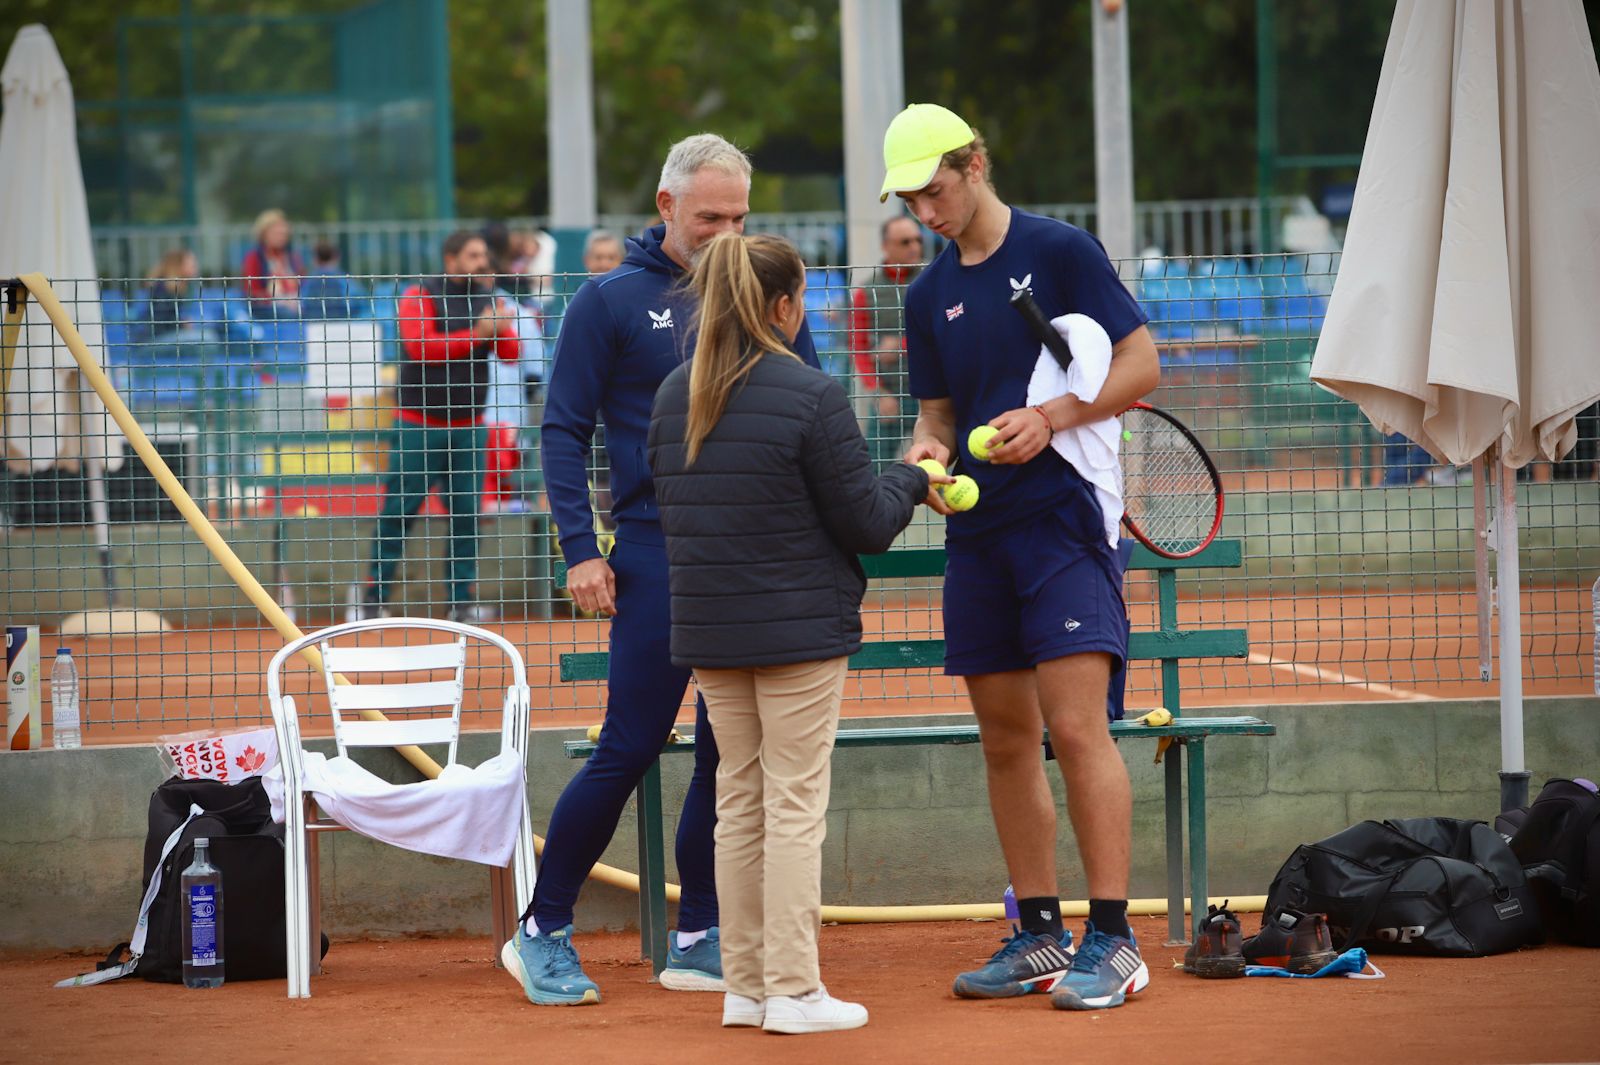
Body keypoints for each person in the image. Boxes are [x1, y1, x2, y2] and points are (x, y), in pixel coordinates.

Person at [508, 134, 822, 1006]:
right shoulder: (610, 299)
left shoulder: (771, 292)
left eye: (740, 217)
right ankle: (542, 926)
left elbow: (816, 408)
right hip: (652, 550)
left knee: (730, 758)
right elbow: (562, 430)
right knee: (630, 746)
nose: (726, 234)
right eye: (710, 216)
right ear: (666, 207)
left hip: (751, 559)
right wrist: (580, 548)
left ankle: (697, 934)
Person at [884, 103, 1161, 1011]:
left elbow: (1141, 366)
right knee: (1006, 739)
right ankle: (1041, 932)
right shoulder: (926, 295)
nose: (927, 211)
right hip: (979, 534)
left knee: (1079, 730)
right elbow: (933, 416)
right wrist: (924, 456)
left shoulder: (1062, 249)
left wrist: (1053, 418)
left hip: (1067, 524)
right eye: (912, 199)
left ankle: (1113, 939)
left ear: (975, 162)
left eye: (936, 189)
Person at [648, 233, 932, 1033]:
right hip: (798, 629)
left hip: (710, 629)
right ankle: (795, 990)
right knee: (794, 805)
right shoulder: (810, 391)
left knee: (739, 802)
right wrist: (914, 476)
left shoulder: (674, 393)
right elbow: (868, 521)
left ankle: (747, 987)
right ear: (782, 305)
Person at [351, 230, 519, 623]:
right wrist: (479, 333)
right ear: (451, 259)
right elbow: (420, 347)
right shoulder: (420, 294)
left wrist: (500, 326)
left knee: (466, 517)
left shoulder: (487, 298)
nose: (482, 261)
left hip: (469, 427)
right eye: (473, 255)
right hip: (418, 426)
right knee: (398, 513)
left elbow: (511, 354)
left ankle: (461, 602)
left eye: (484, 254)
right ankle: (372, 599)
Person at [849, 215, 925, 464]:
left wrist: (902, 347)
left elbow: (950, 334)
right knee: (873, 466)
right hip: (891, 395)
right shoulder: (866, 292)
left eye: (918, 239)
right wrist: (877, 392)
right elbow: (858, 348)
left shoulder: (932, 282)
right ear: (886, 246)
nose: (914, 247)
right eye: (905, 242)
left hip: (933, 395)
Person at [239, 209, 305, 318]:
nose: (282, 237)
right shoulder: (254, 258)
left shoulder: (293, 257)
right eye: (276, 233)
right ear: (263, 234)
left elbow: (303, 284)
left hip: (296, 304)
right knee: (288, 314)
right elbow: (252, 293)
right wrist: (273, 297)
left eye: (284, 233)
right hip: (267, 309)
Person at [299, 242, 367, 320]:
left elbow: (301, 302)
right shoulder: (344, 280)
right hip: (342, 321)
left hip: (314, 323)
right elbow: (360, 301)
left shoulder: (309, 281)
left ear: (315, 259)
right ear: (337, 257)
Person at [144, 247, 199, 335]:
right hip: (158, 337)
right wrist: (182, 325)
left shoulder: (175, 288)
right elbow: (160, 321)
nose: (195, 269)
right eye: (192, 265)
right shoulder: (163, 289)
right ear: (178, 266)